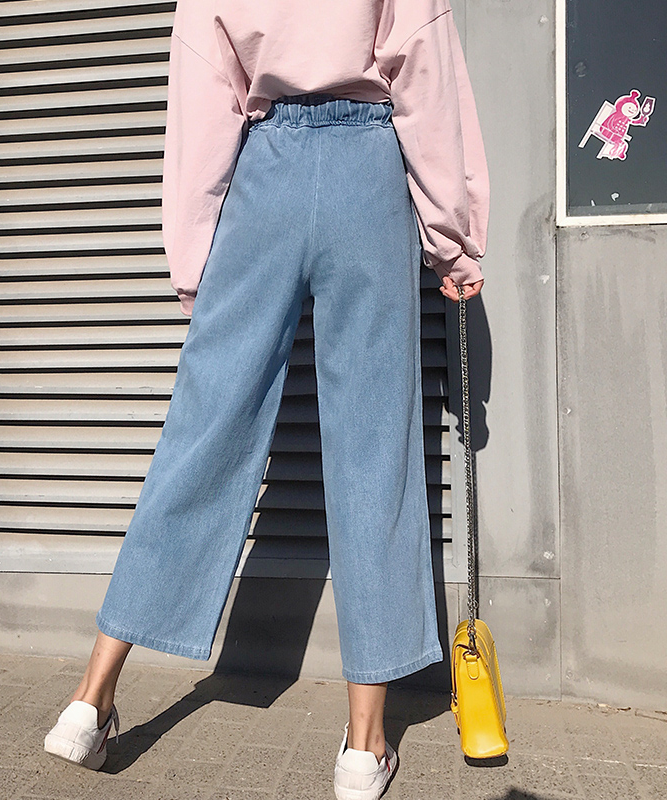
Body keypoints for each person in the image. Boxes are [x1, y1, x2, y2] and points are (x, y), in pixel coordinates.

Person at [44, 0, 488, 797]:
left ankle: (88, 699)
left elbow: (203, 97)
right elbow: (424, 72)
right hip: (367, 169)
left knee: (202, 430)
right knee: (375, 449)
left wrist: (193, 261)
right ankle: (364, 749)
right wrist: (451, 239)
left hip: (266, 166)